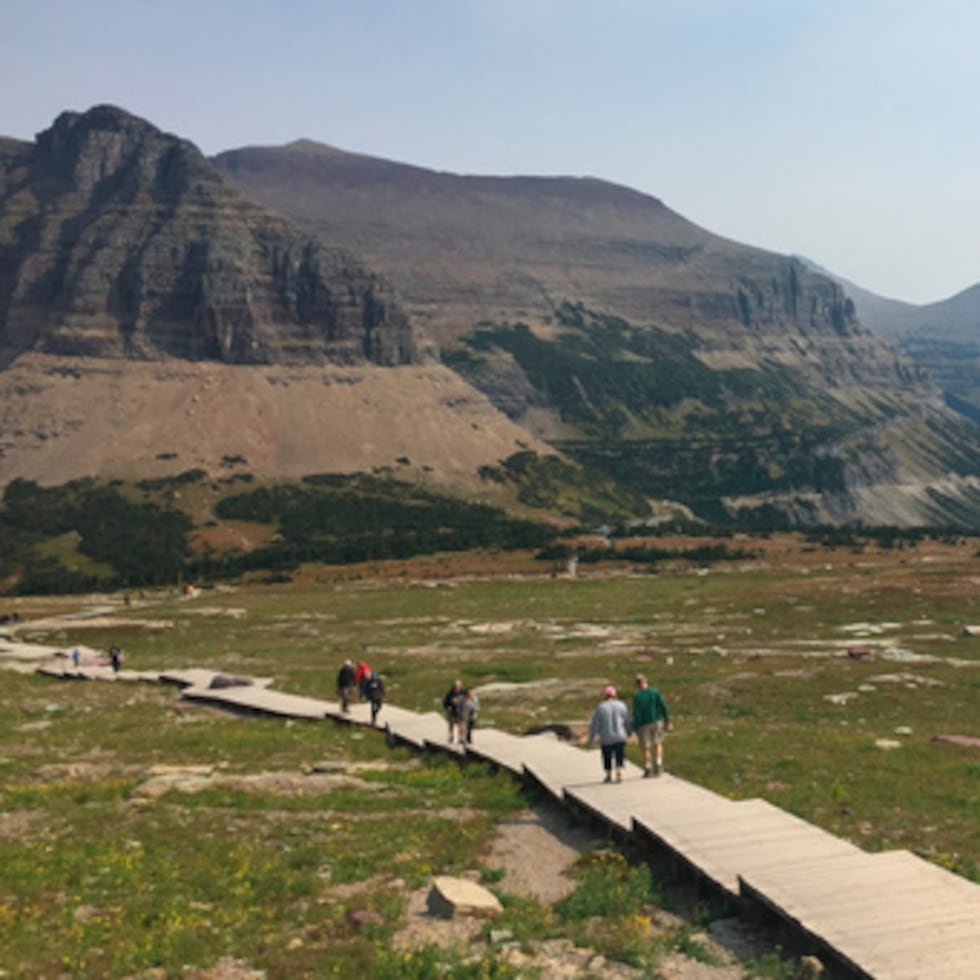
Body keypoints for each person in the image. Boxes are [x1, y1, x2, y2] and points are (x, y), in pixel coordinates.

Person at [588, 684, 631, 783]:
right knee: (619, 754)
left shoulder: (600, 707)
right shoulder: (621, 705)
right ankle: (619, 772)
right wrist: (629, 731)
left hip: (606, 736)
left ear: (605, 695)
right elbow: (627, 720)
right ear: (615, 695)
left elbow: (595, 723)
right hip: (620, 735)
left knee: (607, 756)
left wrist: (592, 737)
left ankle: (608, 775)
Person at [633, 674, 671, 777]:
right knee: (658, 743)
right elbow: (663, 706)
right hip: (656, 721)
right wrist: (667, 719)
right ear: (646, 682)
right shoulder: (655, 692)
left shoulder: (637, 697)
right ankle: (659, 765)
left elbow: (636, 713)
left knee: (646, 747)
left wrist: (635, 727)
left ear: (637, 684)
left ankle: (648, 768)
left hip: (643, 724)